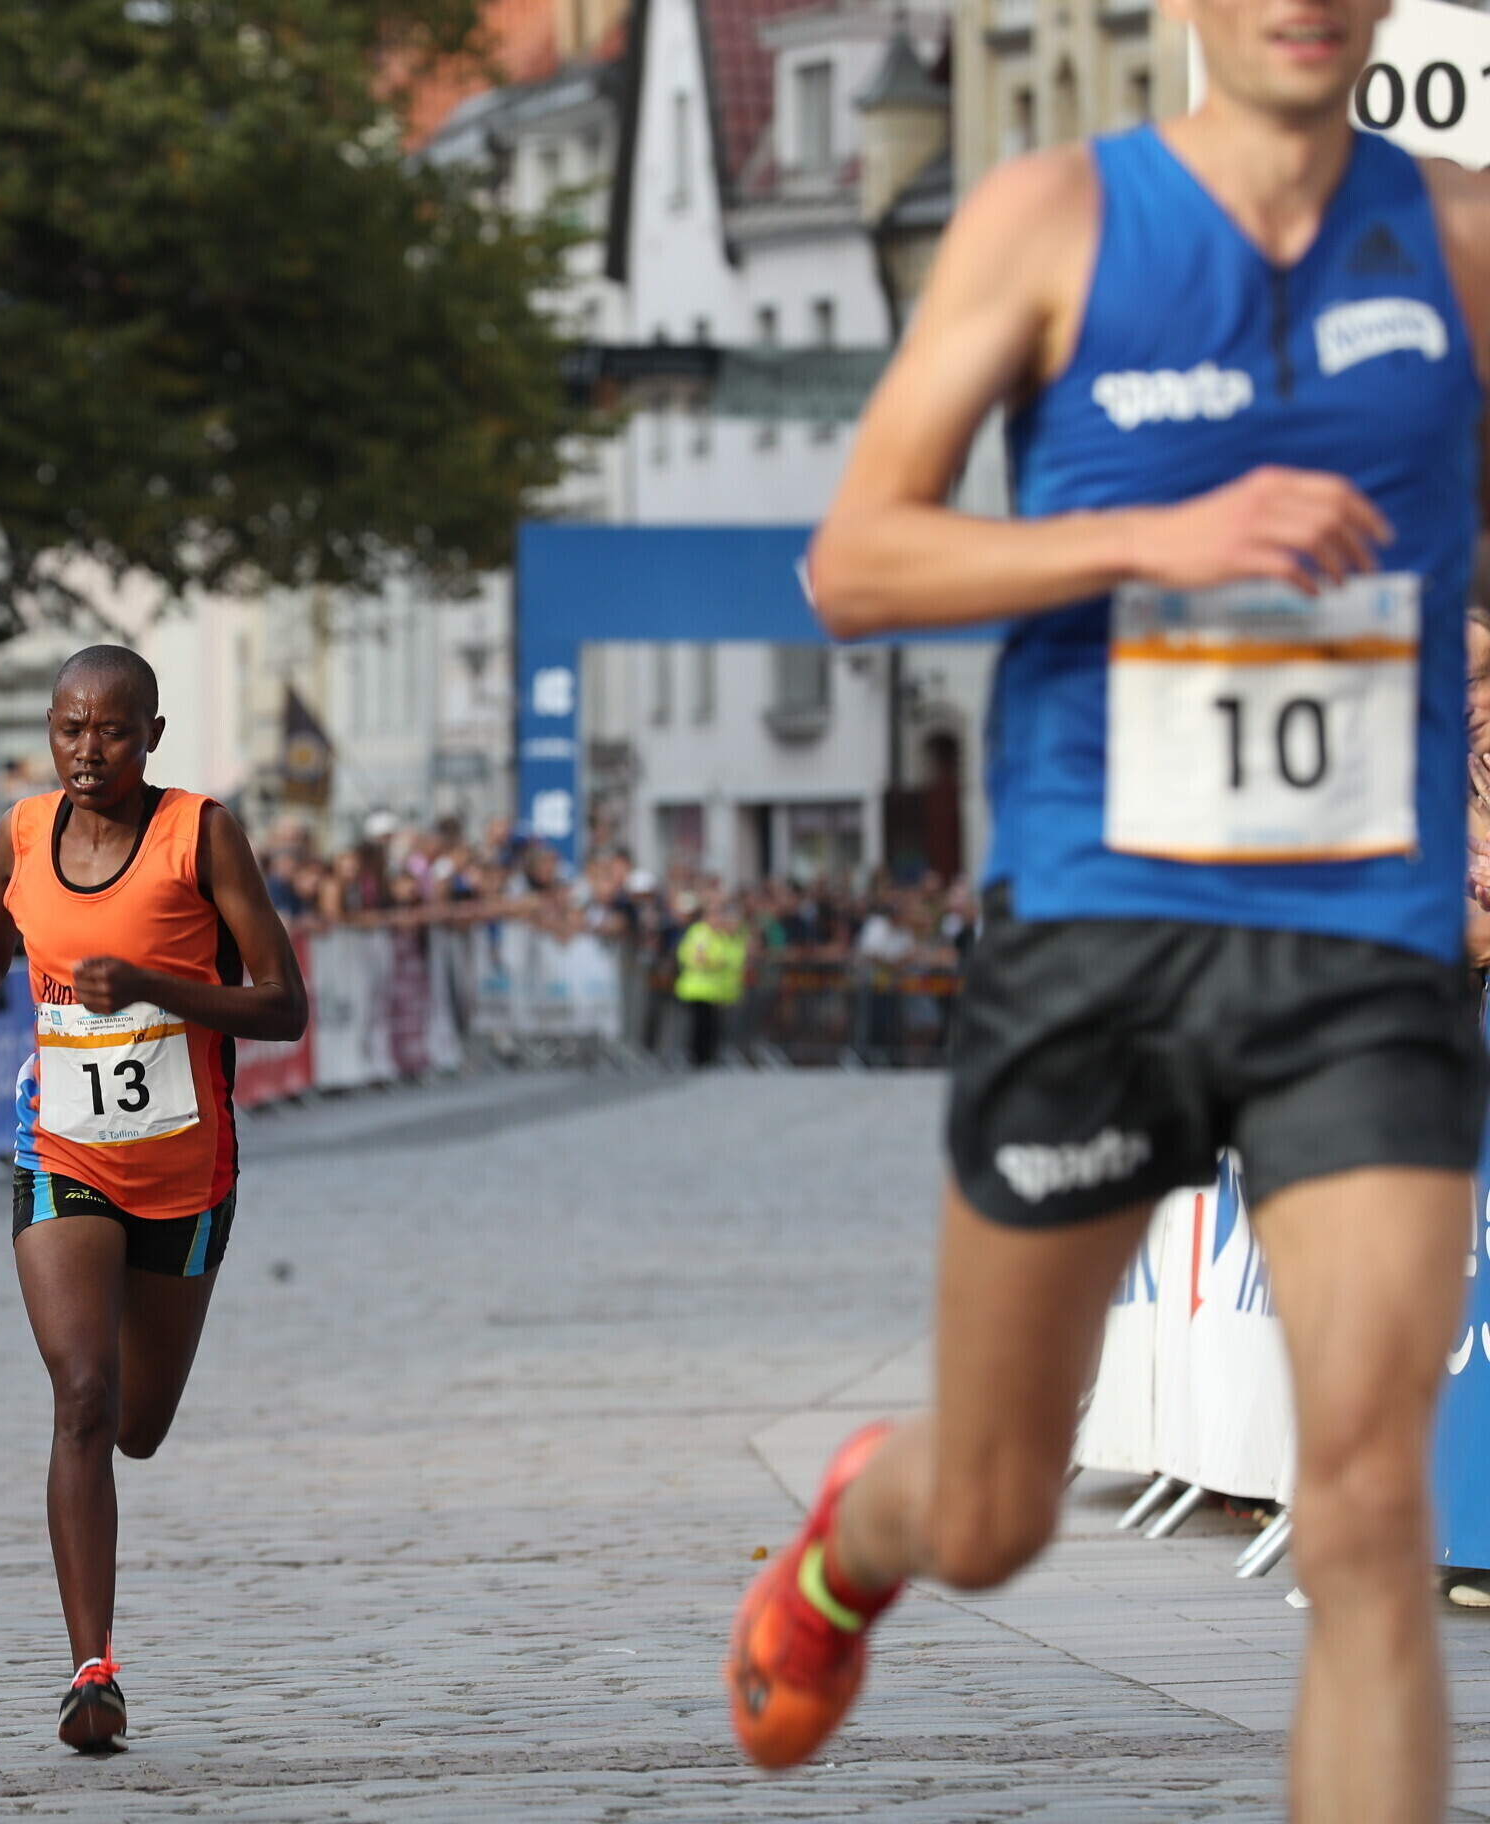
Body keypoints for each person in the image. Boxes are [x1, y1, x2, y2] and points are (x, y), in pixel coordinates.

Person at [730, 7, 1490, 1817]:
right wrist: (1156, 538)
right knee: (997, 1505)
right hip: (1101, 929)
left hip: (1365, 938)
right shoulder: (1056, 217)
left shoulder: (1459, 237)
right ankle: (859, 1529)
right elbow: (856, 563)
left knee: (1369, 1506)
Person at [0, 644, 307, 1750]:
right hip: (64, 1151)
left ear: (152, 737)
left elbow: (282, 1006)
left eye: (112, 731)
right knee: (84, 1397)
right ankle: (91, 1672)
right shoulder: (22, 833)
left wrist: (152, 986)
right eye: (69, 729)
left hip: (187, 1172)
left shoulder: (200, 834)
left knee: (137, 1427)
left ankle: (97, 1636)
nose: (88, 751)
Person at [674, 890, 745, 1068]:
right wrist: (717, 963)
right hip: (698, 989)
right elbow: (699, 959)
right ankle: (697, 1060)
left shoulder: (719, 935)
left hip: (714, 991)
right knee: (700, 1027)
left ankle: (707, 1059)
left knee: (711, 1028)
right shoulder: (701, 933)